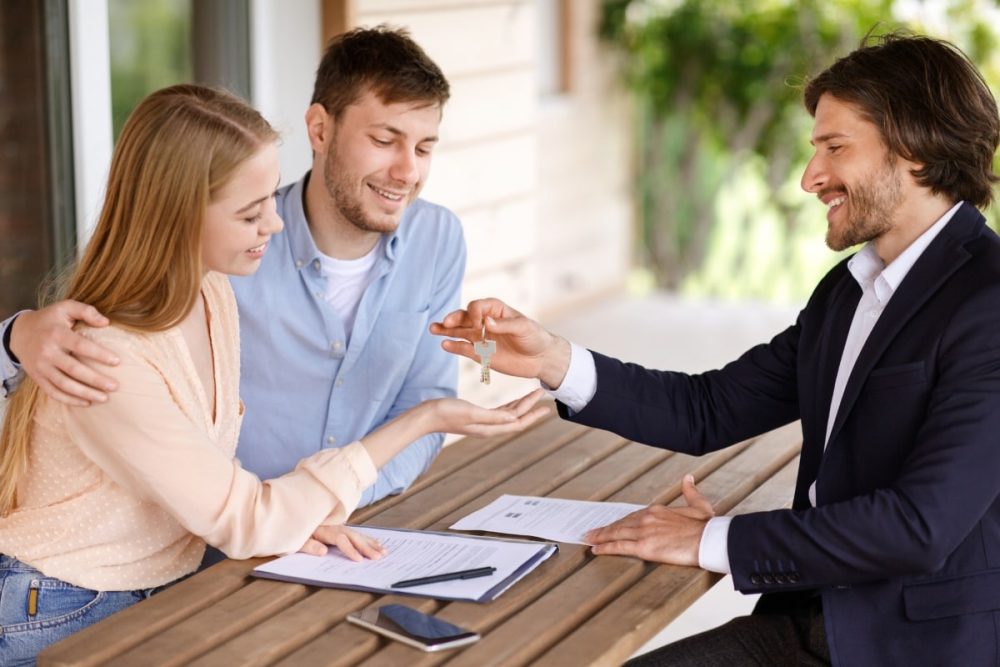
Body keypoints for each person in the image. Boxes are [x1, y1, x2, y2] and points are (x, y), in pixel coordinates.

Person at [431, 33, 1000, 666]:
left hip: (916, 648)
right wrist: (551, 360)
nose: (811, 177)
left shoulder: (989, 301)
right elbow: (711, 408)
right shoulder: (849, 290)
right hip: (808, 625)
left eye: (834, 148)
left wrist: (713, 540)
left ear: (916, 151)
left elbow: (918, 527)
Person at [0, 84, 547, 665]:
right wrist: (424, 420)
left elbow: (215, 485)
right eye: (250, 212)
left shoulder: (211, 293)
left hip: (163, 585)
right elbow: (243, 518)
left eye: (270, 201)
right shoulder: (108, 356)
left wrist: (294, 522)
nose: (276, 224)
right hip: (61, 611)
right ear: (178, 215)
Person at [0, 25, 462, 510]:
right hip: (218, 544)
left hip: (344, 525)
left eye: (425, 148)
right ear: (320, 130)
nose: (409, 171)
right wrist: (15, 338)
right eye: (385, 140)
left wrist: (325, 504)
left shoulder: (437, 239)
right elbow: (105, 339)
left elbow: (425, 398)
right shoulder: (229, 250)